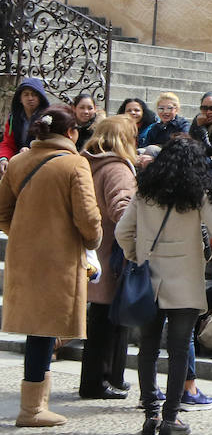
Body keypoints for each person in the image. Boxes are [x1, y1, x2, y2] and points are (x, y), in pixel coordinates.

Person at [115, 137, 212, 435]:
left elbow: (122, 231)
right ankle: (171, 418)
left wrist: (136, 256)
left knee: (148, 348)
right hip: (185, 282)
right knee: (179, 351)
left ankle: (150, 413)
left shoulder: (145, 192)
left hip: (149, 280)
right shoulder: (197, 195)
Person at [0, 105, 102, 427]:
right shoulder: (75, 164)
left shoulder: (18, 162)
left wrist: (22, 234)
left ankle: (35, 405)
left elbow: (2, 212)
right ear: (71, 132)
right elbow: (88, 218)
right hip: (59, 259)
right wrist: (92, 241)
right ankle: (32, 409)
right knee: (46, 328)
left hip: (24, 257)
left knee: (38, 329)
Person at [79, 116, 139, 400]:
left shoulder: (85, 163)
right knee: (107, 322)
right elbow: (122, 209)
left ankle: (109, 378)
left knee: (102, 320)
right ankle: (99, 381)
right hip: (111, 254)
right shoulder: (116, 168)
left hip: (91, 251)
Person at [0, 77, 51, 176]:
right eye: (26, 94)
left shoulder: (47, 119)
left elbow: (50, 145)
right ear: (20, 98)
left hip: (39, 166)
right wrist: (4, 158)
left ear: (40, 98)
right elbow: (8, 143)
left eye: (34, 94)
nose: (30, 98)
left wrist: (31, 151)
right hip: (16, 163)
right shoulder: (13, 119)